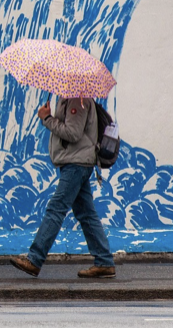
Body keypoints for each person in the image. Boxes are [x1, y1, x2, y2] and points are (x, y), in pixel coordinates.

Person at [10, 97, 116, 278]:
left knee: (56, 208)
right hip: (77, 163)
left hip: (76, 164)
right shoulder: (69, 99)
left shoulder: (77, 100)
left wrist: (47, 119)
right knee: (86, 214)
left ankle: (34, 259)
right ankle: (104, 261)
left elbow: (73, 133)